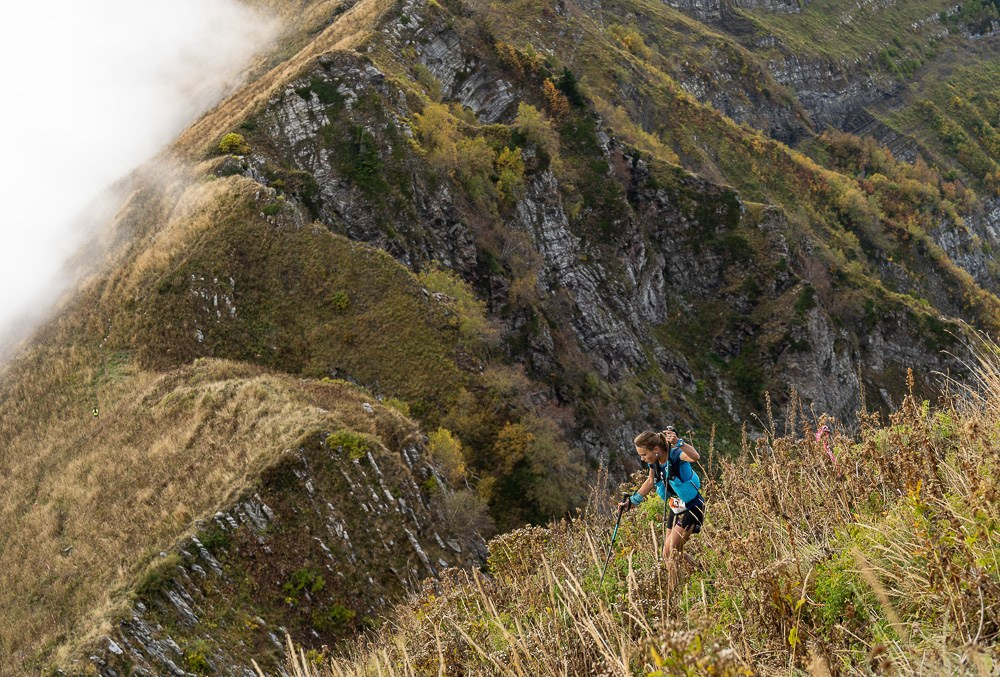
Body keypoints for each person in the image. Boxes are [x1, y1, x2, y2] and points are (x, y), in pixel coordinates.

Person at [620, 427, 704, 567]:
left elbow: (695, 457)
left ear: (656, 449)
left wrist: (679, 442)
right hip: (676, 507)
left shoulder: (676, 455)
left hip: (692, 507)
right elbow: (650, 481)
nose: (642, 458)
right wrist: (632, 502)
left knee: (669, 551)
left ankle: (676, 586)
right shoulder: (654, 463)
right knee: (669, 554)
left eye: (644, 454)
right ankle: (699, 572)